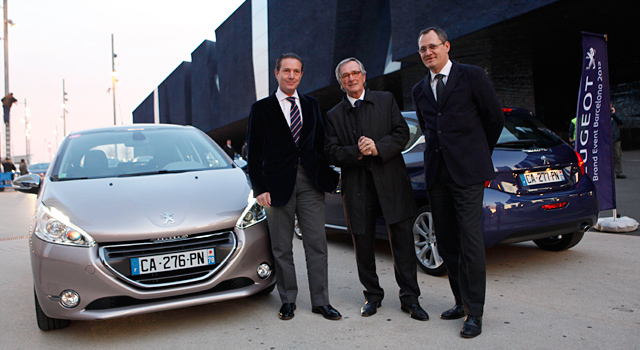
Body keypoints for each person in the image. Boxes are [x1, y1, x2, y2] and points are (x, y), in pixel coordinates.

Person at [412, 27, 504, 338]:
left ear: (447, 46)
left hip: (468, 174)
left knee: (471, 241)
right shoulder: (419, 89)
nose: (428, 53)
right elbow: (428, 129)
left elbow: (494, 119)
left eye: (433, 46)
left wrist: (477, 154)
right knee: (448, 242)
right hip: (438, 175)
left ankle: (474, 313)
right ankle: (460, 301)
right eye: (423, 49)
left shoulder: (472, 76)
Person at [324, 57, 428, 321]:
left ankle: (410, 299)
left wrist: (378, 147)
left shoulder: (385, 100)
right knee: (363, 243)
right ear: (340, 82)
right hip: (357, 186)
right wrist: (356, 153)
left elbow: (402, 133)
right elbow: (330, 152)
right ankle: (372, 296)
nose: (351, 78)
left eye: (355, 73)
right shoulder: (334, 115)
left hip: (391, 182)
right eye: (345, 75)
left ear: (364, 75)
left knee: (403, 242)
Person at [246, 52, 341, 321]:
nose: (291, 76)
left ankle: (321, 301)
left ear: (301, 75)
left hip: (310, 183)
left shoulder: (311, 105)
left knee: (317, 244)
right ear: (276, 74)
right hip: (276, 188)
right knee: (281, 247)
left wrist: (331, 173)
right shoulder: (261, 109)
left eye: (296, 71)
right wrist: (259, 187)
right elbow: (254, 154)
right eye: (286, 71)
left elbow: (322, 145)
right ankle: (288, 300)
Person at [611, 104, 626, 179]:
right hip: (607, 139)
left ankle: (618, 172)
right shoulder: (602, 115)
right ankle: (607, 173)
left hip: (615, 138)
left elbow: (621, 122)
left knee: (617, 156)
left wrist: (614, 114)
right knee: (607, 157)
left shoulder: (615, 115)